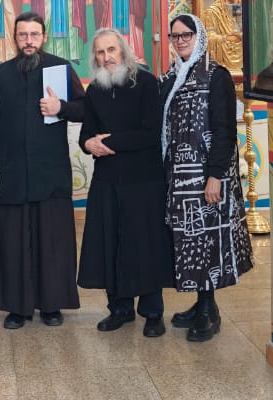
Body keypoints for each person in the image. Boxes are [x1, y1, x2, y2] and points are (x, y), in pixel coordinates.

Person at [0, 12, 84, 329]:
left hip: (49, 172)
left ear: (44, 37)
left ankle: (51, 305)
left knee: (51, 242)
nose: (28, 41)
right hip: (11, 172)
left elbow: (85, 109)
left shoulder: (61, 70)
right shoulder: (0, 75)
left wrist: (61, 108)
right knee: (13, 243)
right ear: (15, 38)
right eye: (23, 35)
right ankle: (17, 307)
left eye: (34, 35)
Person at [160, 14, 253, 342]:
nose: (181, 41)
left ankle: (207, 312)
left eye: (186, 34)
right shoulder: (171, 77)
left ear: (199, 36)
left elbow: (225, 130)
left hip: (207, 176)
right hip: (179, 177)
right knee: (189, 240)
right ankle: (202, 303)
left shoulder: (216, 76)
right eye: (175, 36)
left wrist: (215, 176)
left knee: (208, 241)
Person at [77, 28, 172, 337]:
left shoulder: (146, 83)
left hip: (143, 181)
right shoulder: (94, 90)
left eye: (111, 50)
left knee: (145, 246)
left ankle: (153, 313)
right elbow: (86, 133)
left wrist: (107, 142)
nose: (106, 57)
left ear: (124, 51)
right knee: (112, 245)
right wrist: (88, 144)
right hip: (107, 181)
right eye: (100, 52)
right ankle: (119, 309)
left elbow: (150, 133)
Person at [202, 0, 243, 74]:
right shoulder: (212, 11)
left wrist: (236, 8)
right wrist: (227, 38)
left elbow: (240, 30)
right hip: (223, 51)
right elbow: (209, 36)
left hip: (239, 51)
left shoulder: (237, 9)